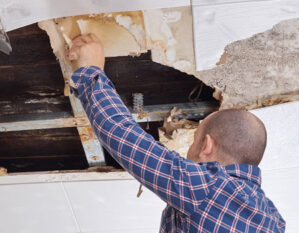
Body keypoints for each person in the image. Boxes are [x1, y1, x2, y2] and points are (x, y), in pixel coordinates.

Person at [68, 33, 286, 233]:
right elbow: (133, 143)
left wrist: (90, 70)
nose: (188, 151)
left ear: (207, 146)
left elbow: (127, 139)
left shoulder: (209, 189)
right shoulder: (273, 220)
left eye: (194, 140)